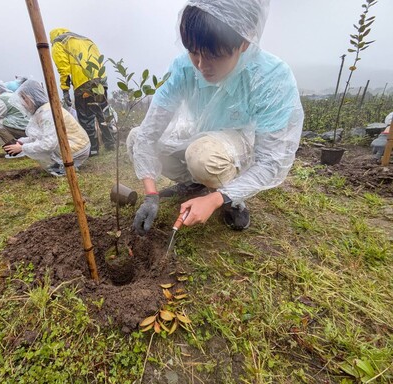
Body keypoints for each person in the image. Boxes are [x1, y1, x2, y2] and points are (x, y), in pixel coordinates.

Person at [127, 0, 304, 235]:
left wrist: (215, 199)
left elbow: (271, 161)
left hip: (236, 150)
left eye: (213, 55)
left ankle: (232, 198)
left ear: (244, 41)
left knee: (204, 157)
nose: (201, 65)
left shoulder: (270, 77)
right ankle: (196, 184)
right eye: (193, 52)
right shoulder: (183, 68)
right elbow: (148, 134)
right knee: (135, 137)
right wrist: (151, 195)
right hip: (200, 137)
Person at [49, 28, 115, 156]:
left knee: (86, 118)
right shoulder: (85, 39)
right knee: (103, 113)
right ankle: (111, 144)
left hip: (83, 83)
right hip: (100, 81)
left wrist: (65, 89)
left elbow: (63, 68)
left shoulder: (59, 42)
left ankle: (93, 149)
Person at [4, 80, 91, 175]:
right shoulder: (44, 110)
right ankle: (60, 163)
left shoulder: (47, 113)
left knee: (47, 144)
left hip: (77, 149)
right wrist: (22, 141)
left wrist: (22, 148)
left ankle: (67, 164)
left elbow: (48, 143)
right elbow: (41, 135)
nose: (22, 103)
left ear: (29, 98)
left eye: (23, 98)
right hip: (76, 145)